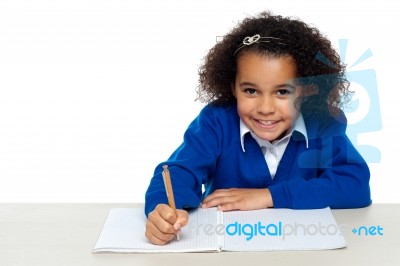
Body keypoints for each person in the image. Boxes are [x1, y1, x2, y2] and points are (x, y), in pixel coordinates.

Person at [144, 11, 371, 245]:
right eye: (251, 91)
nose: (265, 108)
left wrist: (269, 196)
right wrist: (163, 210)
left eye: (282, 92)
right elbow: (178, 173)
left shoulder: (323, 123)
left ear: (304, 90)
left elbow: (355, 184)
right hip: (226, 250)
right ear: (232, 87)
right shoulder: (216, 121)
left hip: (302, 250)